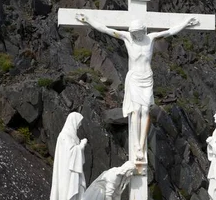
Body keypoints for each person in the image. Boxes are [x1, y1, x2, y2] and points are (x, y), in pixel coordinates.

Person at [76, 13, 198, 162]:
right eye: (133, 33)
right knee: (135, 112)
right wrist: (88, 20)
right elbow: (105, 29)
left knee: (145, 110)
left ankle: (141, 144)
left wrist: (185, 23)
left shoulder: (151, 39)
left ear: (143, 31)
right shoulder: (127, 38)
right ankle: (136, 146)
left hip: (147, 79)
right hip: (134, 79)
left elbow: (170, 31)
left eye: (138, 33)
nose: (135, 36)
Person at [46, 112, 88, 200]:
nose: (79, 126)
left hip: (74, 176)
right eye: (79, 123)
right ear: (73, 122)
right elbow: (69, 156)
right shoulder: (64, 136)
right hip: (66, 177)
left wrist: (79, 146)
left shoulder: (72, 137)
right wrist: (81, 146)